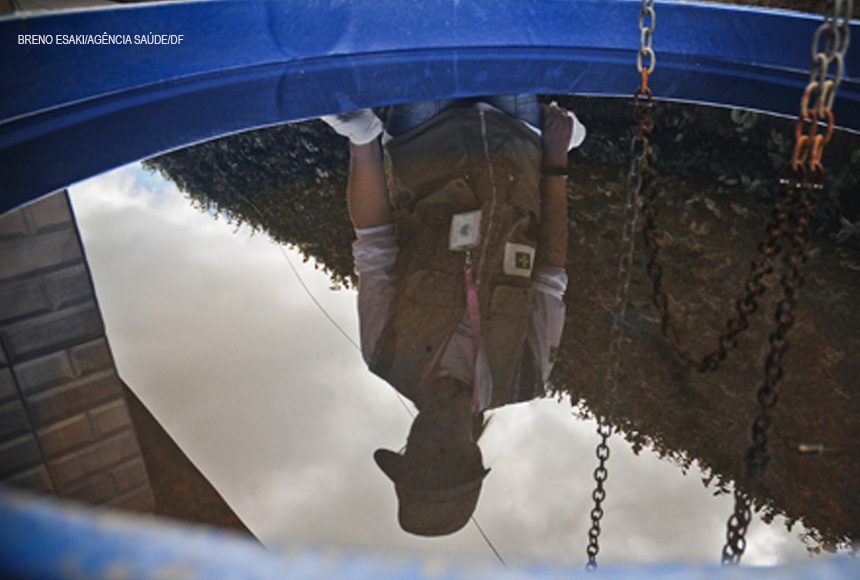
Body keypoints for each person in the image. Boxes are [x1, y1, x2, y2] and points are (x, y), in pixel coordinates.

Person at [323, 95, 585, 536]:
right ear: (472, 456)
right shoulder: (527, 375)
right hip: (516, 143)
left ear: (407, 446)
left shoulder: (385, 355)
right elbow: (550, 274)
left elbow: (374, 246)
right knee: (514, 52)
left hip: (425, 143)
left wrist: (362, 142)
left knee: (421, 55)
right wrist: (556, 161)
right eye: (443, 457)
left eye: (418, 454)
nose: (430, 442)